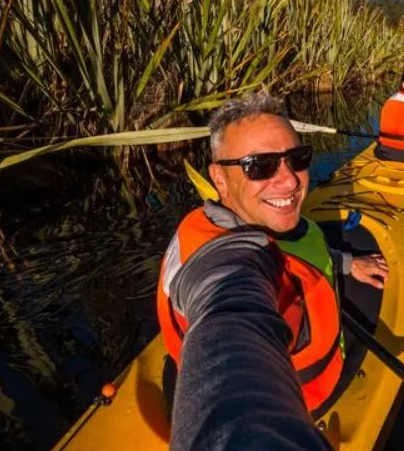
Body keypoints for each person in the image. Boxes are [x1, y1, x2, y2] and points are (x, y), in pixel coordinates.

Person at [157, 92, 389, 450]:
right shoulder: (222, 260)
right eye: (259, 166)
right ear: (219, 179)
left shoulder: (266, 220)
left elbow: (304, 249)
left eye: (298, 159)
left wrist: (346, 263)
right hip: (301, 399)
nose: (290, 182)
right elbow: (229, 314)